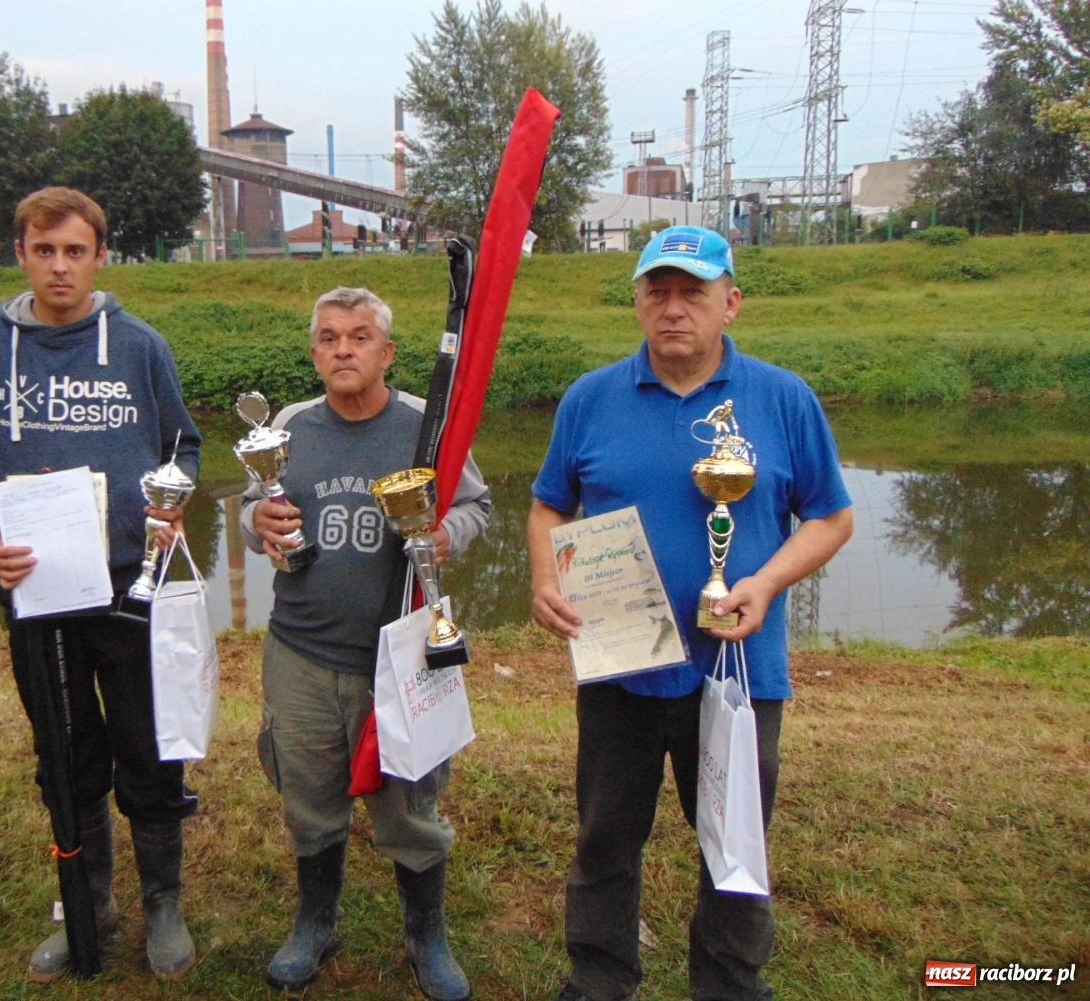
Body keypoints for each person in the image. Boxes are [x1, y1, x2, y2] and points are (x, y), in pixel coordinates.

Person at [526, 226, 854, 1001]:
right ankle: (601, 977)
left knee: (733, 841)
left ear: (730, 302)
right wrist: (546, 576)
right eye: (657, 291)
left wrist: (766, 584)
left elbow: (831, 518)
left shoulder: (781, 398)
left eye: (693, 293)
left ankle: (731, 983)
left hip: (739, 673)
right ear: (637, 302)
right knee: (606, 837)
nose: (674, 309)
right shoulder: (589, 398)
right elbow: (547, 507)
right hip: (622, 665)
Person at [0, 187, 203, 983]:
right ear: (20, 252)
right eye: (44, 250)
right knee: (64, 755)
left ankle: (163, 901)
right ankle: (87, 903)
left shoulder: (139, 346)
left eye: (75, 251)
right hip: (40, 594)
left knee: (148, 750)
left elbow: (181, 448)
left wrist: (171, 509)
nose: (60, 266)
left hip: (131, 588)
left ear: (99, 256)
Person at [242, 286, 491, 1001]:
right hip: (302, 654)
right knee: (309, 798)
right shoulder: (288, 427)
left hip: (404, 654)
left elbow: (479, 505)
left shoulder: (428, 427)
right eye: (328, 338)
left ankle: (426, 936)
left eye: (358, 337)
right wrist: (258, 523)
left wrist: (449, 534)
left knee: (411, 804)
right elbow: (254, 514)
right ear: (315, 351)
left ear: (386, 352)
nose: (342, 349)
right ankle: (315, 922)